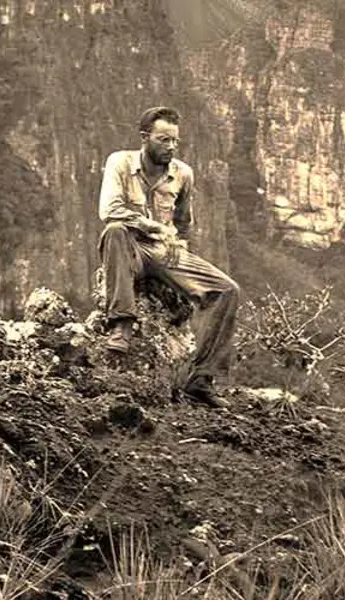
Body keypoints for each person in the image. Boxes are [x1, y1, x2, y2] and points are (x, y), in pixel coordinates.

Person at [97, 106, 240, 408]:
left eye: (175, 141)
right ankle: (121, 325)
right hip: (130, 248)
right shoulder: (119, 163)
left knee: (227, 290)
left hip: (166, 251)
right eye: (163, 140)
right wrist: (154, 227)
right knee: (114, 231)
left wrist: (180, 241)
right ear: (145, 138)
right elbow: (109, 210)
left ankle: (201, 381)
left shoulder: (183, 174)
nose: (171, 147)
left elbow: (184, 220)